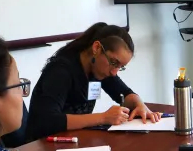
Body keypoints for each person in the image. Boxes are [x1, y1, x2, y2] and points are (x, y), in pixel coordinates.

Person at [26, 22, 158, 140]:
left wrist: (139, 105)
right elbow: (47, 121)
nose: (114, 72)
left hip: (74, 141)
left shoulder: (99, 69)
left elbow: (124, 93)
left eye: (120, 67)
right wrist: (103, 118)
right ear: (97, 48)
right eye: (114, 62)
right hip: (43, 146)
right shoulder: (60, 71)